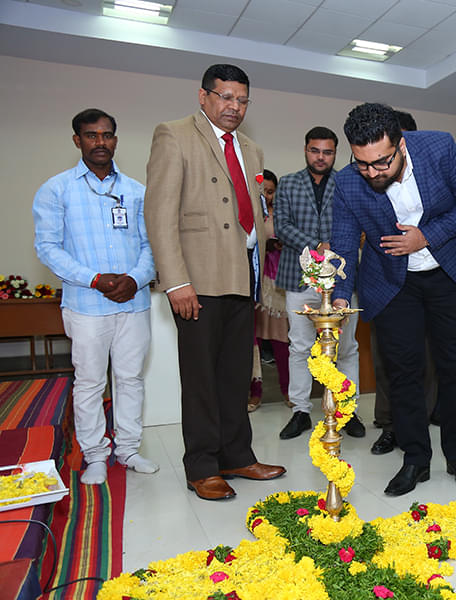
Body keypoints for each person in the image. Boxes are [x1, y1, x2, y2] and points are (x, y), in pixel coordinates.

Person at [144, 64, 286, 501]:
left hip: (242, 275)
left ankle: (236, 455)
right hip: (197, 279)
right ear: (203, 96)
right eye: (225, 97)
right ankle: (202, 466)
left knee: (234, 375)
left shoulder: (251, 149)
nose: (234, 107)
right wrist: (175, 282)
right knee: (202, 377)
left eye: (242, 100)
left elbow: (253, 218)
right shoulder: (174, 134)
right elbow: (160, 213)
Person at [330, 103, 456, 497]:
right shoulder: (348, 182)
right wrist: (339, 296)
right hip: (390, 282)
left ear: (400, 143)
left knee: (454, 368)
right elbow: (345, 241)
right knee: (403, 374)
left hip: (447, 272)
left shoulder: (439, 149)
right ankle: (416, 459)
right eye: (362, 163)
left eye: (381, 163)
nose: (373, 173)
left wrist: (426, 235)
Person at [33, 108, 158, 485]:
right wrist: (96, 279)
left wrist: (135, 279)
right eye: (91, 135)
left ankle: (129, 449)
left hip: (133, 303)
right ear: (78, 140)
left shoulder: (136, 191)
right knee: (89, 382)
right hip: (86, 305)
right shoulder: (57, 189)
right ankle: (95, 455)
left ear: (115, 140)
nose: (100, 142)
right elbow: (48, 248)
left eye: (106, 135)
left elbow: (152, 246)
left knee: (130, 378)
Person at [273, 126, 364, 441]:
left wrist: (332, 250)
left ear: (335, 153)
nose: (321, 157)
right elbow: (281, 226)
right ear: (305, 150)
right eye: (315, 150)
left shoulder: (349, 183)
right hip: (299, 278)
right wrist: (317, 246)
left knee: (347, 348)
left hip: (341, 279)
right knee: (299, 347)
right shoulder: (287, 183)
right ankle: (300, 410)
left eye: (327, 152)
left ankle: (346, 410)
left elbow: (357, 225)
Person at [369, 109, 439, 457]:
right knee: (387, 357)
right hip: (386, 280)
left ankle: (419, 420)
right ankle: (388, 424)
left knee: (424, 354)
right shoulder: (371, 177)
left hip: (427, 280)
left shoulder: (431, 176)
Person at [249, 169, 291, 412]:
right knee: (250, 341)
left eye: (270, 191)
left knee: (281, 342)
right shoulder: (248, 216)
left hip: (277, 286)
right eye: (261, 191)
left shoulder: (283, 216)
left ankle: (288, 390)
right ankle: (255, 394)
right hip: (251, 284)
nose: (266, 196)